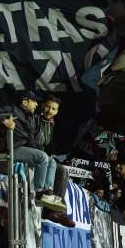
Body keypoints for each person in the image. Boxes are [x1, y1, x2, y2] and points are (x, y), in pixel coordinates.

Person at [0, 91, 64, 212]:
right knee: (43, 158)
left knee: (52, 162)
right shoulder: (14, 109)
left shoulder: (29, 116)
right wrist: (4, 121)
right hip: (11, 149)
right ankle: (39, 193)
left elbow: (31, 139)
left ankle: (48, 192)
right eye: (33, 101)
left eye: (53, 109)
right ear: (25, 102)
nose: (36, 104)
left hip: (22, 148)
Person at [38, 96, 74, 227]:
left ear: (57, 112)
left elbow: (48, 146)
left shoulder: (52, 124)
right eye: (48, 107)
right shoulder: (36, 120)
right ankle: (52, 210)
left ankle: (54, 211)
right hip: (34, 157)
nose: (50, 110)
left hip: (44, 158)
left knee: (63, 170)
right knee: (57, 168)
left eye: (53, 109)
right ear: (43, 106)